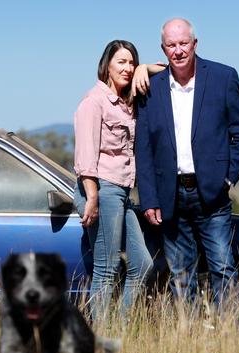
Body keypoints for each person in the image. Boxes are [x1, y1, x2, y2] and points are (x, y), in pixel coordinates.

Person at [135, 18, 239, 304]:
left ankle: (227, 336)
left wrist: (227, 178)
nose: (178, 51)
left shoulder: (223, 77)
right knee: (180, 273)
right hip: (170, 196)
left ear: (195, 43)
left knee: (223, 267)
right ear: (163, 49)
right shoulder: (151, 88)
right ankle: (187, 334)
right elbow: (144, 149)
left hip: (212, 194)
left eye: (183, 43)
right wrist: (149, 198)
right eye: (171, 45)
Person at [73, 40, 163, 321]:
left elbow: (170, 70)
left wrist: (145, 68)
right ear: (107, 66)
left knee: (142, 264)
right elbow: (85, 156)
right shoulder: (94, 101)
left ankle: (121, 329)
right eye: (121, 62)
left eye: (131, 62)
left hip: (122, 192)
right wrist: (92, 197)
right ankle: (102, 335)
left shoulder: (127, 102)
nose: (127, 68)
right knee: (107, 266)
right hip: (101, 188)